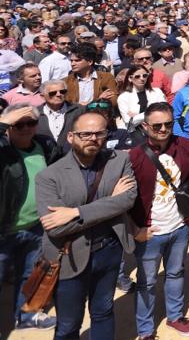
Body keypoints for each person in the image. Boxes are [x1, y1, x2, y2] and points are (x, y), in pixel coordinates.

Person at [35, 109, 138, 340]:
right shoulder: (49, 176)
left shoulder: (119, 160)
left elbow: (128, 199)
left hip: (109, 250)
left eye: (99, 133)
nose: (93, 139)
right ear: (71, 137)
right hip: (69, 257)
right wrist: (111, 204)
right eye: (85, 134)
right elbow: (56, 227)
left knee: (103, 311)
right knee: (69, 323)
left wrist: (76, 212)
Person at [128, 102, 189, 340]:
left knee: (176, 273)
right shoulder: (134, 156)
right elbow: (123, 199)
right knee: (147, 282)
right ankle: (145, 330)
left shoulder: (186, 147)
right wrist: (135, 229)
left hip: (180, 226)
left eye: (168, 124)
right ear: (145, 126)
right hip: (149, 231)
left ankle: (175, 316)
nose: (163, 129)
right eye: (157, 125)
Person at [0, 103, 61, 332]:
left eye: (31, 123)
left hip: (36, 225)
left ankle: (25, 316)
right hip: (4, 230)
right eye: (19, 124)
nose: (26, 128)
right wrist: (3, 123)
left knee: (30, 275)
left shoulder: (44, 145)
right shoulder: (2, 149)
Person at [116, 65, 166, 132]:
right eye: (137, 76)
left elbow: (164, 112)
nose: (142, 79)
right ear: (130, 78)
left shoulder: (157, 92)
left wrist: (137, 116)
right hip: (135, 132)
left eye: (145, 75)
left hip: (157, 129)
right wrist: (154, 112)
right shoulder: (123, 97)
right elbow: (129, 122)